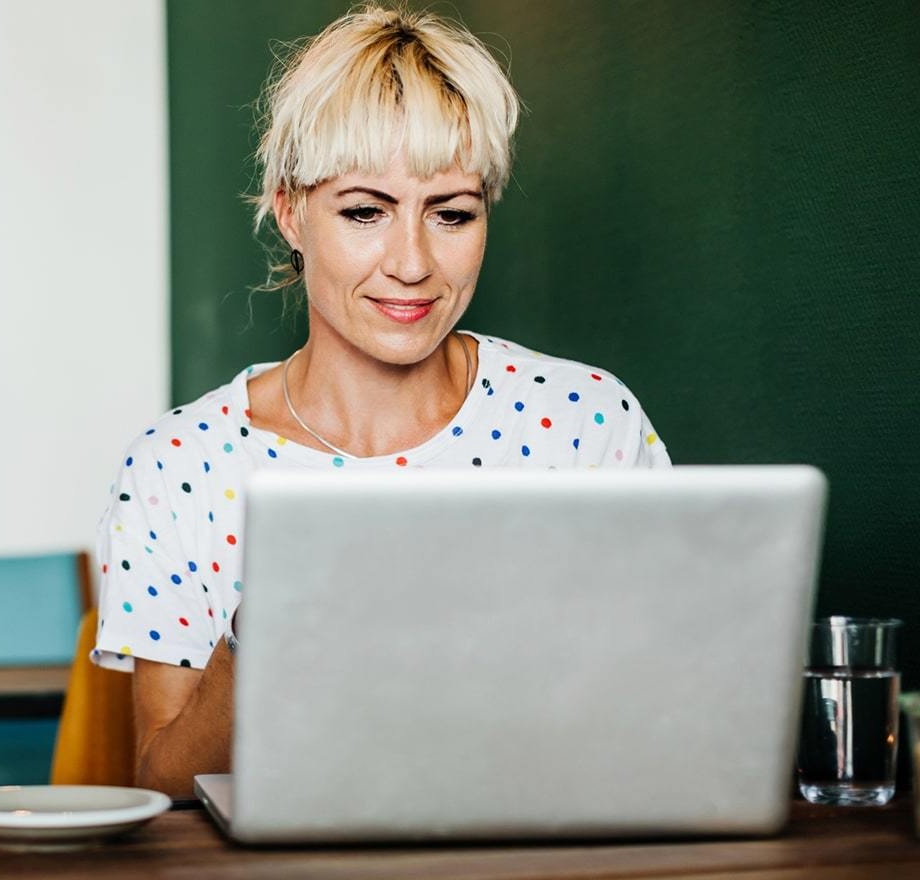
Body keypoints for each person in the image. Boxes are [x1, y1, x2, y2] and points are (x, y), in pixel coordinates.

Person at [91, 5, 671, 797]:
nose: (412, 262)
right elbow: (162, 785)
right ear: (291, 212)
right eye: (365, 211)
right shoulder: (177, 466)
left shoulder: (584, 422)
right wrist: (267, 620)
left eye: (453, 214)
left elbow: (665, 717)